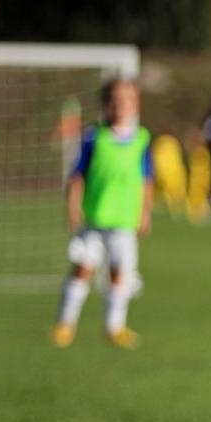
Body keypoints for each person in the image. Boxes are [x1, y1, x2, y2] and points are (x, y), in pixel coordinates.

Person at [51, 78, 153, 350]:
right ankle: (65, 324)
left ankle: (114, 327)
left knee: (119, 274)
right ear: (106, 104)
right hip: (94, 219)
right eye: (116, 100)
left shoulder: (142, 139)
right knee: (83, 268)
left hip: (123, 221)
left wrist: (145, 212)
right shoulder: (94, 138)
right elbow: (78, 176)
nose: (121, 105)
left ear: (136, 104)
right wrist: (72, 206)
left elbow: (146, 180)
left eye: (127, 100)